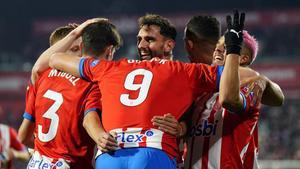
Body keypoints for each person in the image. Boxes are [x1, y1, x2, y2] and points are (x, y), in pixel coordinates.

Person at [43, 11, 253, 169]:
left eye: (149, 39)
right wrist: (234, 51)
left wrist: (76, 34)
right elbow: (244, 78)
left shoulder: (111, 68)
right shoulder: (185, 71)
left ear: (169, 45)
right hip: (154, 150)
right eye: (139, 39)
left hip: (110, 155)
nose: (141, 44)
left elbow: (54, 59)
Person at [152, 14, 284, 169]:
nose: (218, 50)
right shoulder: (201, 91)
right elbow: (190, 126)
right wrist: (181, 128)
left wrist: (262, 80)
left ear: (243, 59)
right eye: (218, 46)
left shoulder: (252, 84)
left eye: (226, 46)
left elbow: (230, 100)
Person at [17, 21, 115, 169]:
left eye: (81, 48)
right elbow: (90, 121)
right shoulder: (90, 84)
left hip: (37, 163)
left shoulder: (41, 78)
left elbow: (23, 136)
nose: (81, 54)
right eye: (75, 49)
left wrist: (44, 150)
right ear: (59, 54)